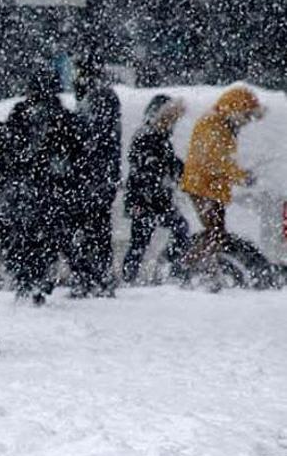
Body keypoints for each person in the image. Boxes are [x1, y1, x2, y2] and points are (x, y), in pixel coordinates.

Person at [3, 68, 82, 306]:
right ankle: (40, 278)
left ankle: (25, 279)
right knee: (49, 238)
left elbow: (7, 148)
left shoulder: (20, 113)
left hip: (26, 187)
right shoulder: (63, 116)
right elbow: (77, 153)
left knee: (24, 237)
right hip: (54, 188)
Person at [180, 86, 264, 291]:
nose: (247, 122)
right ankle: (191, 269)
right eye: (246, 116)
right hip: (203, 187)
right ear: (236, 109)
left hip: (210, 187)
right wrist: (241, 176)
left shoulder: (221, 124)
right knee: (215, 233)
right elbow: (216, 161)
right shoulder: (213, 124)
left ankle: (202, 270)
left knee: (216, 233)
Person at [121, 95, 191, 284]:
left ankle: (163, 267)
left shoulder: (160, 138)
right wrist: (165, 173)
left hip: (155, 200)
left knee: (145, 240)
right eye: (170, 119)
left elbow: (171, 164)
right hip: (145, 201)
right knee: (141, 241)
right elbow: (147, 170)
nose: (172, 124)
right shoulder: (146, 136)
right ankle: (134, 275)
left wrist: (185, 173)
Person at [69, 57, 122, 298]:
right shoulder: (103, 97)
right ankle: (96, 276)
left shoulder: (97, 98)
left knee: (91, 229)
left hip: (91, 178)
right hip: (98, 177)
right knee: (97, 229)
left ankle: (90, 277)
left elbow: (92, 138)